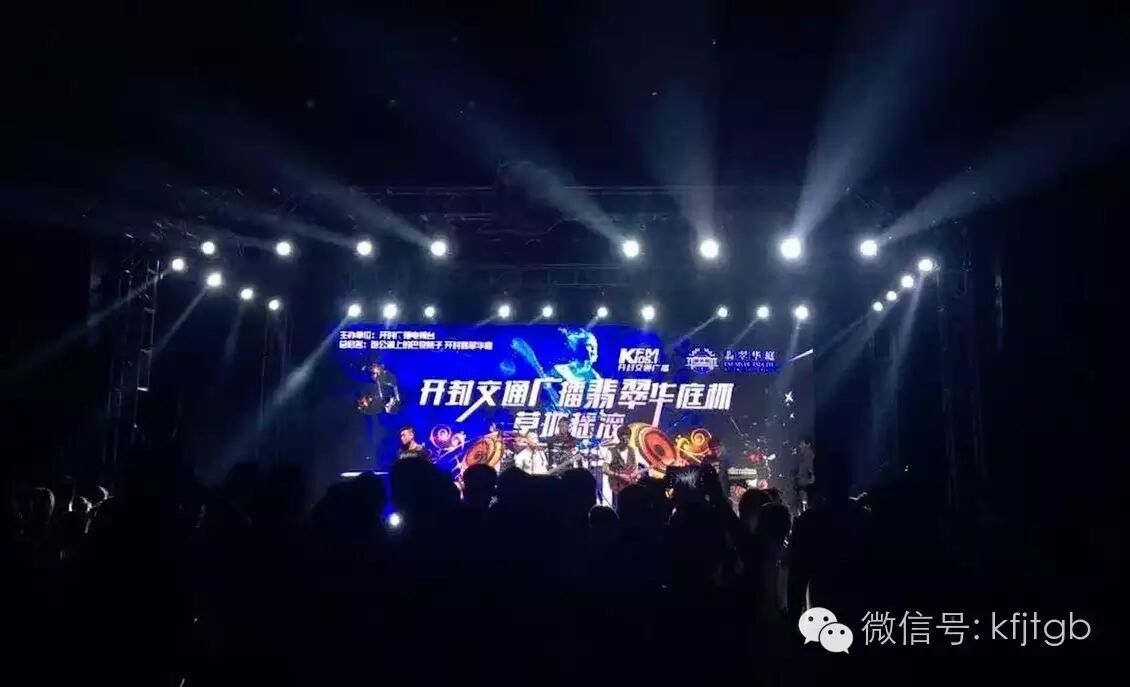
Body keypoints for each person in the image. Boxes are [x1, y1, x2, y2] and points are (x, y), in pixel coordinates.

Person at [598, 425, 645, 505]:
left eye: (627, 438)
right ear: (619, 438)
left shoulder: (632, 451)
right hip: (617, 485)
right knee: (618, 505)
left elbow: (635, 467)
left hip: (630, 484)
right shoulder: (611, 451)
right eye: (623, 439)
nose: (625, 441)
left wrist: (636, 475)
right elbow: (604, 469)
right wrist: (620, 475)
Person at [794, 437, 815, 515]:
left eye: (802, 444)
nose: (800, 446)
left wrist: (808, 489)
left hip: (806, 492)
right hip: (803, 491)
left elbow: (813, 474)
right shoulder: (804, 457)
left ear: (808, 444)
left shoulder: (810, 457)